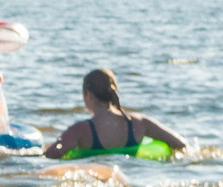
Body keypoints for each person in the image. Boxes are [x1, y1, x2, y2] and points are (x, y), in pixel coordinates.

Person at [43, 67, 188, 160]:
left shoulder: (80, 130)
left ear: (89, 95)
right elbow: (181, 144)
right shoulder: (140, 124)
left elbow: (50, 155)